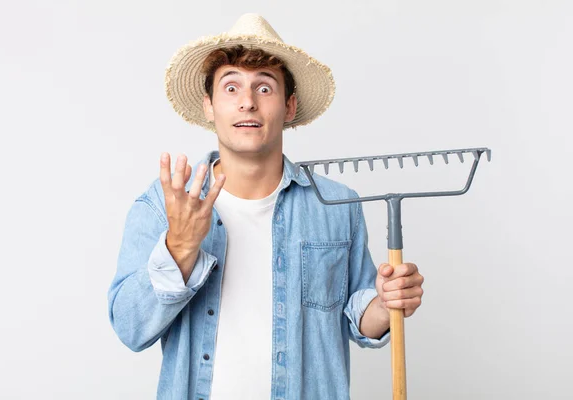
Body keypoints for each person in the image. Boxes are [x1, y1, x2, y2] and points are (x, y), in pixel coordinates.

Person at [108, 13, 424, 400]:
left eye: (264, 88)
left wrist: (387, 302)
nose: (246, 102)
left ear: (289, 106)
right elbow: (130, 328)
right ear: (209, 106)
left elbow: (362, 317)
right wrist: (179, 248)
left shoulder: (337, 206)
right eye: (230, 88)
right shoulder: (164, 205)